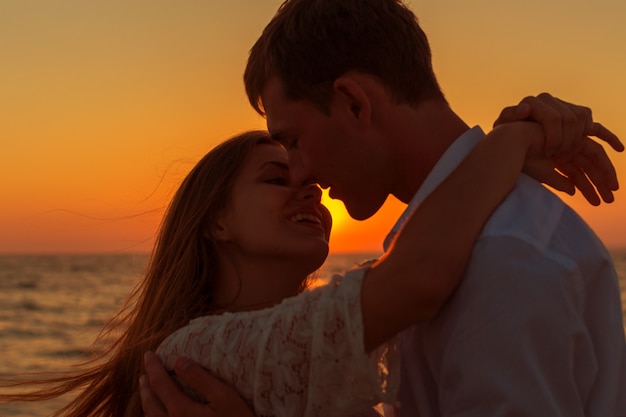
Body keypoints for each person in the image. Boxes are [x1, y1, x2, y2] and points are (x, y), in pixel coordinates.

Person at [141, 0, 626, 416]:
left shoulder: (501, 257)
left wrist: (511, 140)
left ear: (354, 103)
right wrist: (513, 138)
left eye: (293, 140)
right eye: (277, 165)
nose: (303, 175)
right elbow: (415, 275)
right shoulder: (438, 254)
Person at [0, 120, 615, 417]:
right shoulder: (198, 355)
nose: (309, 194)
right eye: (275, 179)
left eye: (312, 184)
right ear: (215, 223)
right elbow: (421, 272)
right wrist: (511, 138)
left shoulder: (305, 338)